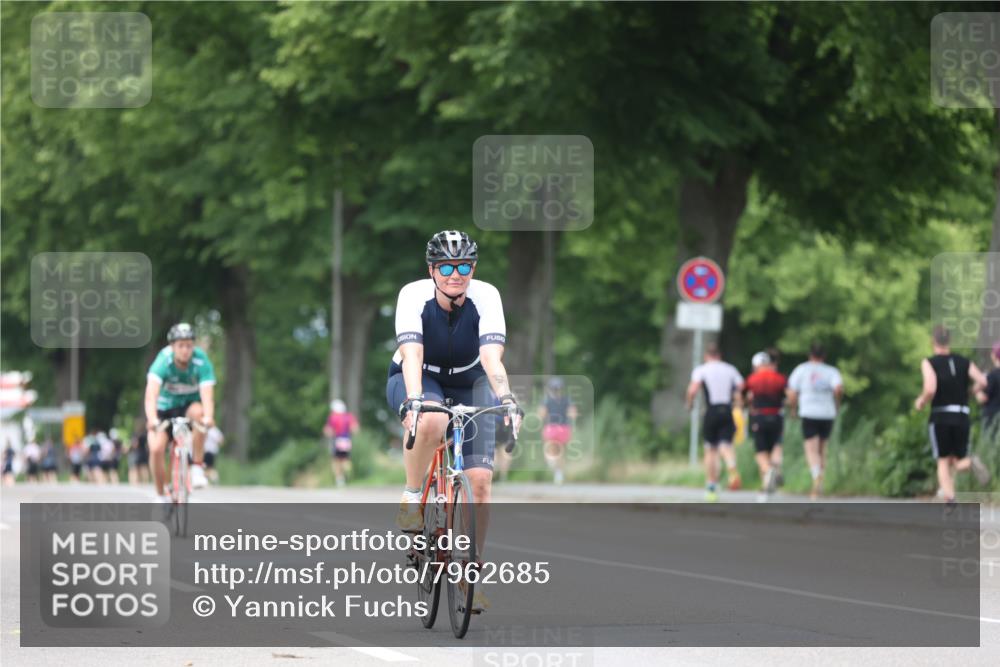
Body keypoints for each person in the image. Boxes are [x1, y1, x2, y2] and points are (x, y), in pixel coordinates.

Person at [387, 230, 521, 612]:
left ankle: (471, 575)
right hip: (419, 375)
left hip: (469, 381)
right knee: (429, 421)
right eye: (446, 266)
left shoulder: (487, 296)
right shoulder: (413, 296)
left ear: (473, 268)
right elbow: (411, 355)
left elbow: (493, 360)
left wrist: (507, 399)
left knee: (480, 483)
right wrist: (414, 401)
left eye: (463, 266)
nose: (455, 274)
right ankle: (414, 495)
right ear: (432, 269)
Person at [914, 326, 991, 505]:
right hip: (962, 415)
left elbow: (930, 388)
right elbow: (983, 381)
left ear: (933, 342)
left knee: (942, 460)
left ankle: (950, 499)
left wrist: (921, 401)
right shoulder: (964, 361)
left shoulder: (929, 362)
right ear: (949, 342)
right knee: (958, 461)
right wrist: (971, 391)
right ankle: (970, 463)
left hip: (941, 415)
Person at [144, 322, 217, 505]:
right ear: (172, 346)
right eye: (181, 346)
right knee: (156, 448)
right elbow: (151, 395)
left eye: (189, 345)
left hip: (188, 406)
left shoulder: (201, 360)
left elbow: (207, 396)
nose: (185, 350)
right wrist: (152, 419)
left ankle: (197, 468)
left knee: (200, 414)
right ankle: (161, 495)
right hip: (164, 408)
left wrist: (208, 417)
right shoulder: (163, 361)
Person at [686, 343, 744, 501]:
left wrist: (689, 404)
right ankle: (731, 466)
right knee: (726, 445)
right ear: (720, 355)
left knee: (710, 450)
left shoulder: (702, 369)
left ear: (706, 356)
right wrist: (739, 403)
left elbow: (692, 390)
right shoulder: (730, 369)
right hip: (727, 409)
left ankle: (711, 486)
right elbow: (740, 387)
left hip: (711, 411)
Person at [787, 342, 844, 500]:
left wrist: (793, 408)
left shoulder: (801, 369)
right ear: (824, 356)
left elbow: (792, 392)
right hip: (827, 413)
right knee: (822, 448)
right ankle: (821, 479)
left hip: (809, 412)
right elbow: (838, 388)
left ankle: (816, 477)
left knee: (811, 449)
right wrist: (837, 403)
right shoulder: (831, 371)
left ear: (809, 355)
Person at [744, 351, 787, 501]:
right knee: (776, 446)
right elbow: (789, 395)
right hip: (777, 417)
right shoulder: (780, 379)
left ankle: (768, 471)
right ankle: (770, 478)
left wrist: (747, 405)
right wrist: (792, 409)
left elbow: (744, 395)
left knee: (761, 452)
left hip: (759, 417)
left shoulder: (753, 379)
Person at [539, 377, 578, 485]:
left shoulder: (546, 400)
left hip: (551, 427)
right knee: (561, 452)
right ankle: (559, 473)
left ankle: (552, 463)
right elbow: (573, 413)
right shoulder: (567, 399)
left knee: (550, 449)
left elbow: (541, 414)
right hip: (564, 428)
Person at [323, 400, 358, 488]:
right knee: (345, 459)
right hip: (347, 441)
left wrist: (331, 433)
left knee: (336, 461)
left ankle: (340, 479)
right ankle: (348, 474)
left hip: (338, 440)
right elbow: (355, 429)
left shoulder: (333, 417)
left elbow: (328, 431)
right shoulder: (349, 417)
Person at [977, 341, 1000, 440]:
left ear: (994, 356)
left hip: (992, 418)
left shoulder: (991, 376)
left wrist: (978, 390)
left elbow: (983, 398)